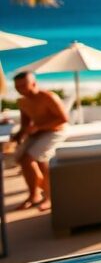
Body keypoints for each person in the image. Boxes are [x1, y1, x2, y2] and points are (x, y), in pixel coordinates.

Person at [10, 72, 69, 211]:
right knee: (20, 158)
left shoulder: (48, 97)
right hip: (37, 133)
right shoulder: (22, 101)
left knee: (32, 159)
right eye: (17, 87)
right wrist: (19, 135)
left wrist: (38, 127)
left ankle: (48, 198)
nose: (21, 89)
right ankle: (34, 194)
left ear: (34, 83)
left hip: (55, 131)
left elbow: (63, 119)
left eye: (24, 85)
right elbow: (26, 123)